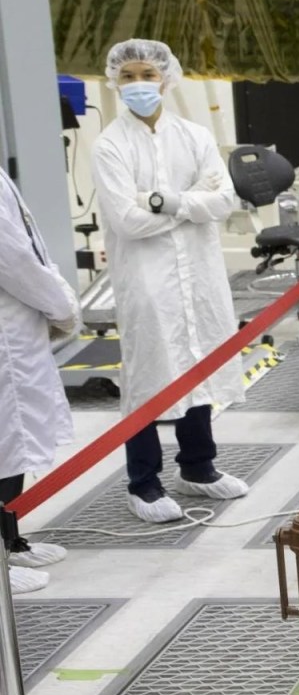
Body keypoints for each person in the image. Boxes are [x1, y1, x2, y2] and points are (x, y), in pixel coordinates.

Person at [92, 39, 250, 523]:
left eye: (147, 73)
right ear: (116, 82)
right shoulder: (109, 146)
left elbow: (225, 201)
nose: (139, 84)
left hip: (198, 275)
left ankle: (198, 467)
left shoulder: (195, 136)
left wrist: (161, 201)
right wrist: (189, 204)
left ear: (165, 76)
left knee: (197, 362)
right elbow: (126, 221)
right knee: (147, 375)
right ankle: (143, 483)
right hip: (146, 278)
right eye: (129, 76)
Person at [0, 167, 79, 595]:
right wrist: (59, 305)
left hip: (15, 326)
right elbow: (13, 259)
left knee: (13, 445)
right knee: (5, 443)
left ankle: (10, 542)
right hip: (7, 326)